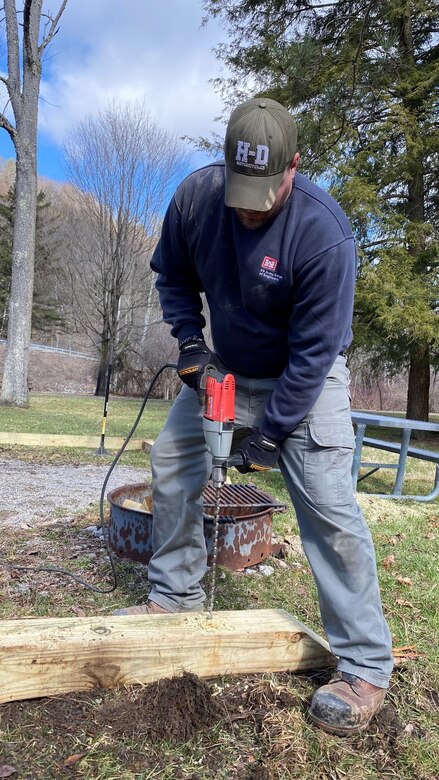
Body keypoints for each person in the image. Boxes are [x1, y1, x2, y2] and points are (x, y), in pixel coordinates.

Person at [113, 97, 393, 736]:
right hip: (228, 369)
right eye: (241, 189)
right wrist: (190, 343)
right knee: (175, 462)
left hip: (306, 376)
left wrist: (267, 437)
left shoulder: (324, 235)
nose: (249, 205)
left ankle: (364, 666)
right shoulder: (196, 200)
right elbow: (173, 277)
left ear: (294, 167)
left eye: (264, 192)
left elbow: (315, 353)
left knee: (329, 507)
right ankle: (175, 597)